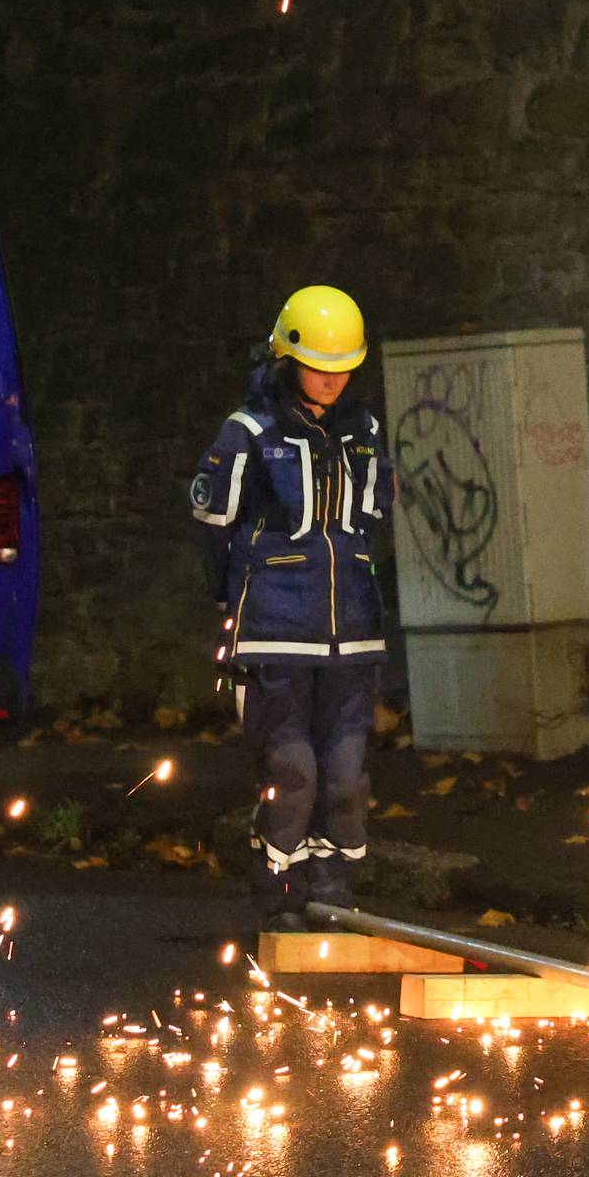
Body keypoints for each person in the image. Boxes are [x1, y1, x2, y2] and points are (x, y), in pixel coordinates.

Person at [190, 285, 397, 929]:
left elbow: (373, 519)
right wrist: (235, 602)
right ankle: (278, 890)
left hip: (352, 636)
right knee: (293, 769)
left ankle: (333, 890)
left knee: (345, 775)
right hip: (274, 634)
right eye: (319, 366)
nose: (332, 381)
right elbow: (212, 525)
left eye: (344, 369)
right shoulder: (248, 433)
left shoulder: (364, 431)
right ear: (286, 357)